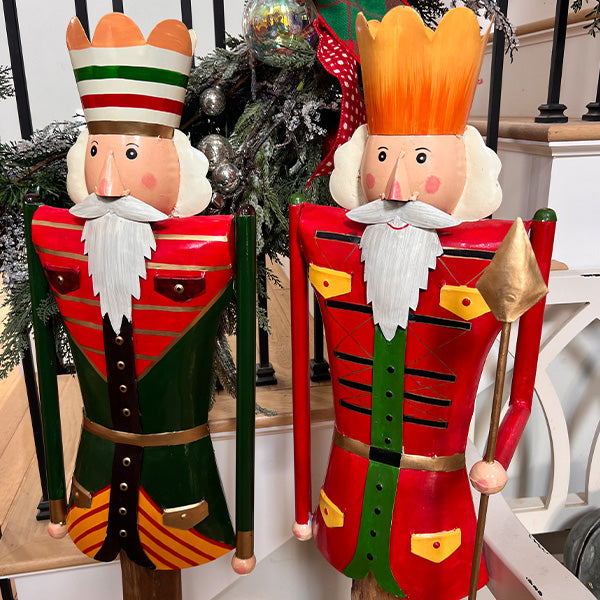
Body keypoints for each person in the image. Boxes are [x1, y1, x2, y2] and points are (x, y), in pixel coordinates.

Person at [290, 7, 555, 598]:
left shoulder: (504, 251)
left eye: (420, 162)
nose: (396, 189)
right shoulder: (325, 241)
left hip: (437, 506)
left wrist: (499, 457)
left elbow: (519, 394)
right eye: (384, 158)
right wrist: (304, 505)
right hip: (349, 487)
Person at [28, 13, 255, 574]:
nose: (108, 184)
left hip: (181, 499)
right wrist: (56, 493)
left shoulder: (219, 244)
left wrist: (246, 526)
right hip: (93, 491)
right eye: (98, 154)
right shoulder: (51, 237)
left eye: (130, 155)